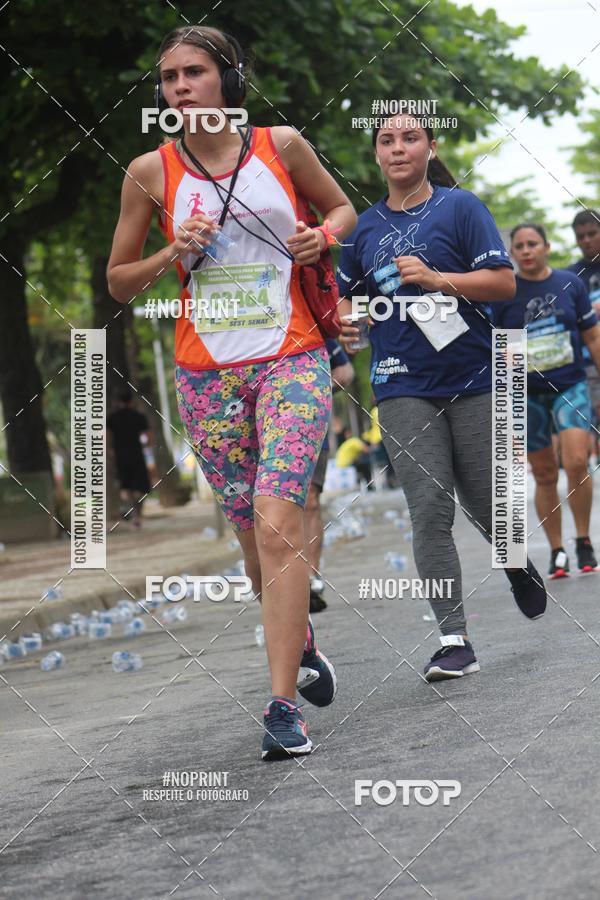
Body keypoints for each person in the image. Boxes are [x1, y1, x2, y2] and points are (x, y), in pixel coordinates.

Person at [107, 26, 357, 759]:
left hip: (292, 357)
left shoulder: (283, 148)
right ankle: (299, 640)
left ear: (228, 81)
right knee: (252, 539)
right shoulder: (149, 172)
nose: (179, 86)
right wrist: (169, 251)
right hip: (206, 375)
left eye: (194, 72)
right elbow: (119, 282)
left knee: (280, 523)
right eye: (169, 77)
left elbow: (342, 210)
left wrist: (324, 238)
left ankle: (283, 705)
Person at [338, 114, 547, 682]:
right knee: (430, 507)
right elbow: (343, 302)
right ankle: (454, 638)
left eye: (410, 138)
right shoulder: (362, 229)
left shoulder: (461, 208)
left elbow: (503, 284)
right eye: (387, 140)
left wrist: (436, 279)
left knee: (486, 504)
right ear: (377, 156)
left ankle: (514, 560)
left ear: (431, 147)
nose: (399, 147)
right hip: (401, 381)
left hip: (474, 378)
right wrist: (347, 325)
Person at [492, 223, 600, 576]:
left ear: (547, 247)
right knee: (543, 473)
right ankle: (557, 550)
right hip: (528, 395)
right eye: (519, 245)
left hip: (571, 386)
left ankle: (583, 540)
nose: (526, 250)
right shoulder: (505, 292)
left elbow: (592, 337)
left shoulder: (571, 283)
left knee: (577, 462)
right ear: (512, 253)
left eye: (532, 243)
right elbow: (500, 352)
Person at [304, 338, 354, 613]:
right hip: (255, 426)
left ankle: (311, 577)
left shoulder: (312, 323)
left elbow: (345, 372)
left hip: (308, 421)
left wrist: (309, 392)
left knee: (309, 498)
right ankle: (281, 577)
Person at [567, 210, 600, 461]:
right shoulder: (570, 276)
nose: (587, 240)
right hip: (586, 364)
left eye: (592, 233)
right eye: (581, 236)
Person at [107, 391, 152, 528]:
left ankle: (132, 512)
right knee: (141, 486)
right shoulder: (138, 416)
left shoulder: (112, 418)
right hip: (136, 454)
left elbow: (106, 436)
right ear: (131, 402)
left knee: (125, 486)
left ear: (118, 402)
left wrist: (110, 451)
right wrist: (144, 445)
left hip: (120, 456)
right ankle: (137, 514)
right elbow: (148, 436)